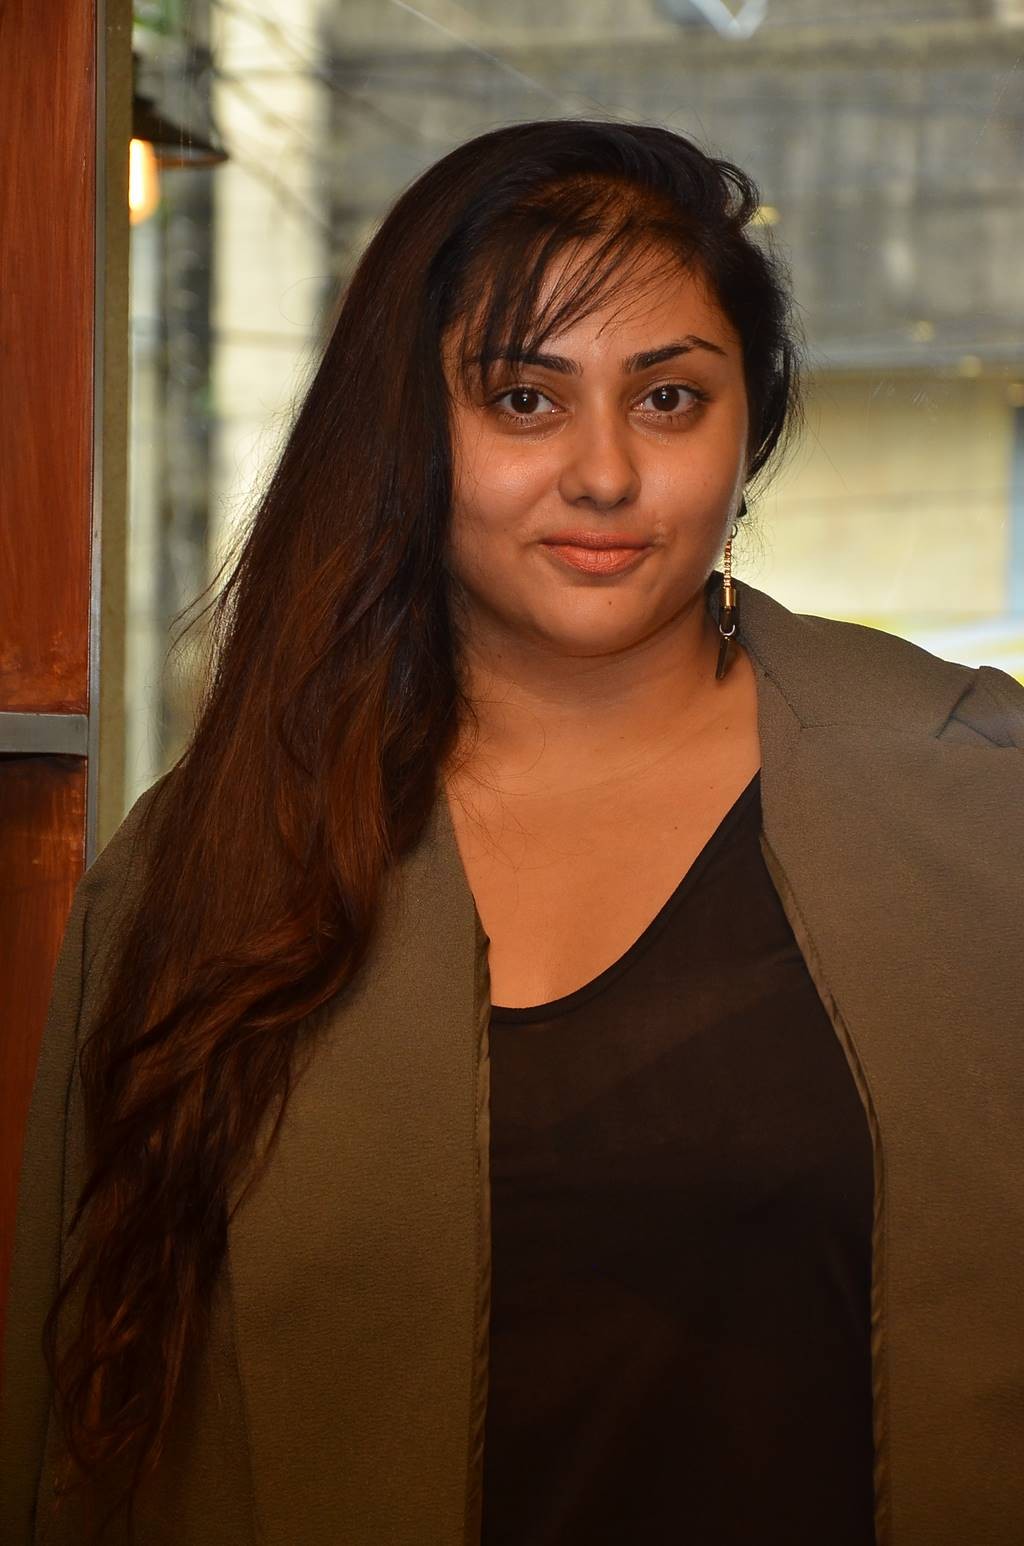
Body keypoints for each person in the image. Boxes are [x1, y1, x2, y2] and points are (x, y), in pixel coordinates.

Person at [1, 118, 1022, 1546]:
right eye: (525, 399)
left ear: (750, 431)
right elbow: (87, 1434)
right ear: (408, 435)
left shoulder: (978, 802)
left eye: (669, 398)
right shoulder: (210, 867)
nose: (604, 471)